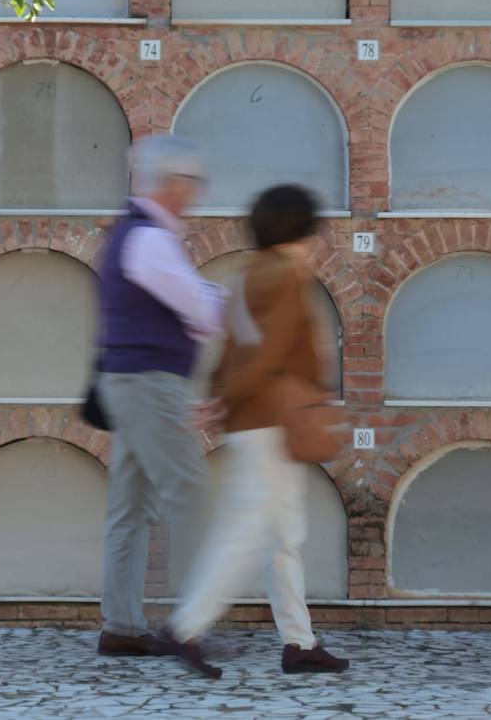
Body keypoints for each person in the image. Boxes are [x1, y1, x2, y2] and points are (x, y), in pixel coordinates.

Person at [160, 184, 351, 679]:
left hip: (256, 418)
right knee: (247, 529)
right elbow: (268, 352)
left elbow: (230, 343)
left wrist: (218, 397)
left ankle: (299, 642)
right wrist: (226, 399)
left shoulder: (247, 274)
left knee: (284, 533)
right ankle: (186, 626)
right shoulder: (287, 275)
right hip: (270, 418)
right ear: (300, 226)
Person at [94, 134, 226, 658]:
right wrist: (236, 302)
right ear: (172, 184)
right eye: (193, 182)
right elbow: (202, 311)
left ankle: (122, 627)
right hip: (150, 385)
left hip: (127, 382)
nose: (196, 192)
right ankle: (189, 627)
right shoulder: (150, 239)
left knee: (129, 507)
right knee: (192, 494)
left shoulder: (133, 233)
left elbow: (187, 306)